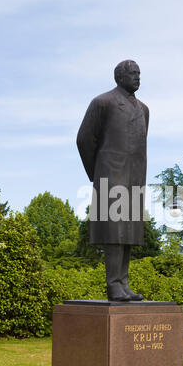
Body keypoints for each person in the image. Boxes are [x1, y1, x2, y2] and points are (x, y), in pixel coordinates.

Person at [77, 60, 149, 302]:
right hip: (110, 173)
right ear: (119, 77)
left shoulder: (144, 109)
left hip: (134, 175)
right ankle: (113, 285)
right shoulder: (103, 102)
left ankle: (124, 283)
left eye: (139, 74)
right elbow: (84, 139)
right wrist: (97, 171)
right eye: (133, 74)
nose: (138, 78)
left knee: (128, 231)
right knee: (114, 230)